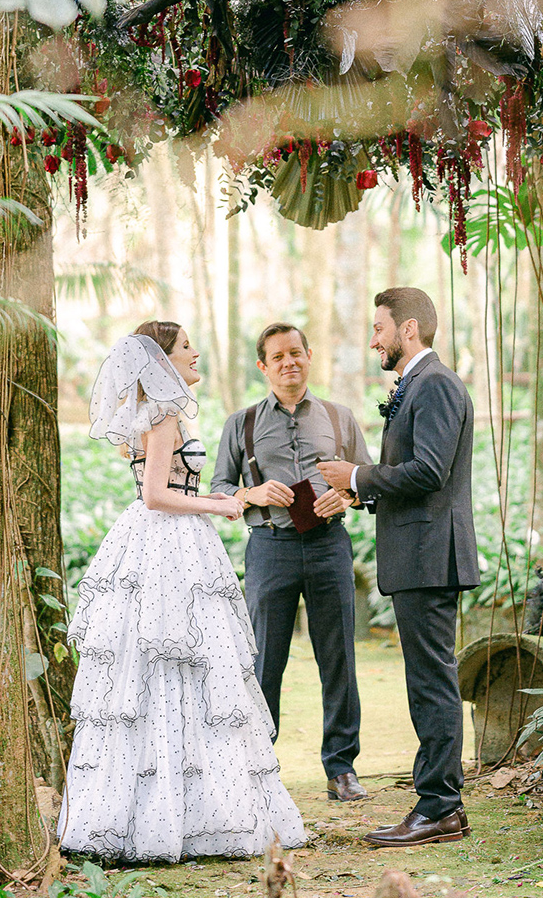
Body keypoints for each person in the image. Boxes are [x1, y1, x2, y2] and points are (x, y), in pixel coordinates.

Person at [58, 321, 306, 863]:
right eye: (186, 347)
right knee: (178, 664)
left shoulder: (144, 416)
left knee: (174, 670)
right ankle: (177, 814)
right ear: (163, 361)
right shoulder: (164, 416)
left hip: (164, 542)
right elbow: (155, 495)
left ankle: (176, 809)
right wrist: (222, 503)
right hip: (168, 542)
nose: (196, 354)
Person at [319, 287, 479, 848]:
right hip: (421, 554)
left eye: (379, 329)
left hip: (430, 557)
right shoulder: (421, 383)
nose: (373, 341)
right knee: (426, 679)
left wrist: (359, 477)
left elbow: (430, 471)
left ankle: (440, 806)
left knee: (432, 682)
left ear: (408, 330)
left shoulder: (434, 383)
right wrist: (360, 493)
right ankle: (438, 800)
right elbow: (414, 476)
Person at [211, 322, 373, 803]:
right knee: (264, 657)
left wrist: (347, 498)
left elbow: (366, 482)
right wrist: (252, 492)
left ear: (309, 357)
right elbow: (219, 489)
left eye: (296, 353)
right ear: (263, 366)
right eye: (278, 356)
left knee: (338, 656)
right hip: (269, 547)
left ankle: (341, 768)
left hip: (328, 546)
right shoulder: (240, 424)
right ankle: (258, 765)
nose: (289, 362)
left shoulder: (340, 418)